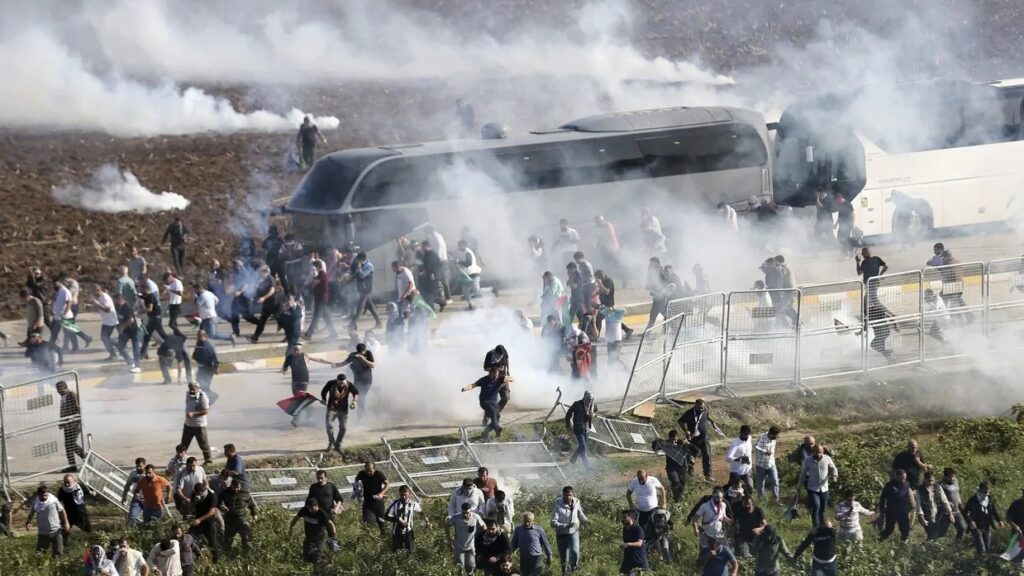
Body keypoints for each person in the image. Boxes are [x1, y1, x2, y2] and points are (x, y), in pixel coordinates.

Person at [289, 497, 339, 576]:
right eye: (310, 509)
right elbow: (296, 518)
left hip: (319, 539)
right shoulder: (304, 510)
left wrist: (333, 537)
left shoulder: (321, 513)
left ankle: (319, 572)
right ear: (308, 507)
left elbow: (331, 524)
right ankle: (323, 562)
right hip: (308, 538)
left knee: (317, 558)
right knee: (306, 557)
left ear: (317, 506)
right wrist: (291, 528)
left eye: (314, 509)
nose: (312, 511)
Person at [461, 366, 513, 440]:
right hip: (485, 402)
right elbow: (473, 385)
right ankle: (497, 428)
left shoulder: (500, 378)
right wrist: (465, 388)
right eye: (494, 375)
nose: (495, 377)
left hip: (493, 403)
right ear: (490, 373)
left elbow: (511, 378)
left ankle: (485, 432)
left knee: (497, 417)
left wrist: (509, 379)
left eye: (497, 375)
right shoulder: (484, 380)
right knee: (494, 412)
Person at [678, 399, 724, 482]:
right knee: (691, 457)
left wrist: (712, 422)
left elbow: (707, 415)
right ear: (695, 405)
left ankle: (708, 475)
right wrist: (686, 431)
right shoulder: (689, 413)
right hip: (693, 439)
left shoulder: (705, 409)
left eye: (702, 407)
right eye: (699, 408)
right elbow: (680, 421)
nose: (701, 409)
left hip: (704, 438)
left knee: (707, 455)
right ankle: (690, 475)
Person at [798, 444, 839, 529]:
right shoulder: (808, 460)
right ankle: (815, 527)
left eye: (820, 452)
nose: (818, 454)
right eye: (816, 452)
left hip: (824, 488)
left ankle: (822, 525)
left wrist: (835, 476)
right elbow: (803, 473)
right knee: (816, 506)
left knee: (823, 509)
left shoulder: (827, 458)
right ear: (813, 452)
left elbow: (834, 468)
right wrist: (799, 486)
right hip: (812, 488)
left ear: (823, 452)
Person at [687, 488, 731, 565]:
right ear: (712, 496)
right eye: (717, 497)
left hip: (718, 534)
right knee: (704, 553)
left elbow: (723, 517)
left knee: (724, 551)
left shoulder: (723, 505)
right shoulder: (705, 506)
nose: (719, 499)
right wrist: (695, 529)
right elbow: (694, 519)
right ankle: (699, 568)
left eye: (721, 498)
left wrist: (732, 522)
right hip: (706, 533)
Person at [551, 486, 588, 575]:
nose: (568, 497)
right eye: (566, 495)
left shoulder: (576, 502)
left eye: (570, 495)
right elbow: (553, 523)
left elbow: (580, 514)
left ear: (573, 494)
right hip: (561, 534)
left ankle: (575, 570)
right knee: (565, 557)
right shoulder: (558, 505)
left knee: (575, 552)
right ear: (563, 495)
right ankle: (565, 573)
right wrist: (566, 526)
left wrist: (586, 520)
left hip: (574, 532)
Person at [26, 485, 70, 556]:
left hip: (56, 530)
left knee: (58, 553)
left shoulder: (53, 501)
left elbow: (62, 511)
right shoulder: (36, 503)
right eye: (42, 496)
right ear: (38, 495)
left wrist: (66, 523)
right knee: (40, 554)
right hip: (43, 533)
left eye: (46, 495)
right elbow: (31, 513)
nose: (44, 497)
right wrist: (28, 522)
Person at [219, 477, 258, 554]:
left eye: (238, 487)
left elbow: (252, 505)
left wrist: (254, 514)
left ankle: (247, 555)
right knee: (228, 540)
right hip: (230, 520)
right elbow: (217, 503)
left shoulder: (245, 494)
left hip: (242, 519)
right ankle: (227, 555)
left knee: (246, 537)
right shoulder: (224, 493)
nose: (237, 489)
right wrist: (221, 507)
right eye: (235, 487)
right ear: (231, 485)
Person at [964, 480, 1003, 556]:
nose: (987, 491)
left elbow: (993, 510)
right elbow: (965, 512)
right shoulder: (973, 500)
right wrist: (970, 521)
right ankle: (980, 560)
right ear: (981, 489)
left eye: (988, 489)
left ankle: (982, 562)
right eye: (985, 489)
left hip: (986, 525)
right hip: (976, 526)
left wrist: (999, 520)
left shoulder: (990, 499)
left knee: (987, 545)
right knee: (981, 546)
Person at [321, 375, 358, 453]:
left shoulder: (349, 384)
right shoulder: (331, 383)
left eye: (343, 383)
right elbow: (324, 391)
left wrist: (354, 401)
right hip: (331, 408)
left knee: (343, 428)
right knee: (329, 426)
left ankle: (338, 443)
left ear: (345, 381)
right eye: (340, 383)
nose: (341, 385)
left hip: (343, 410)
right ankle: (331, 441)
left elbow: (355, 393)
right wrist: (324, 399)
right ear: (336, 380)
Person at [447, 501, 486, 575]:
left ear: (470, 510)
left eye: (467, 512)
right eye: (463, 512)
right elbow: (447, 525)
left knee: (471, 565)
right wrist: (449, 538)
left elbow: (483, 526)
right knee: (460, 566)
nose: (465, 514)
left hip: (470, 546)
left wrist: (482, 538)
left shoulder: (475, 517)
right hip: (459, 546)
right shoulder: (456, 517)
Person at [877, 469, 915, 543]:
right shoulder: (890, 485)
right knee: (889, 529)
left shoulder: (906, 484)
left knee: (905, 529)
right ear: (896, 476)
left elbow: (908, 495)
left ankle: (903, 544)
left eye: (904, 478)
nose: (903, 480)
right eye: (901, 478)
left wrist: (910, 507)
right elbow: (883, 496)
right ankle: (879, 541)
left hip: (903, 510)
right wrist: (882, 508)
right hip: (891, 510)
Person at [626, 469, 667, 536]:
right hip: (641, 511)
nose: (641, 481)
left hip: (653, 509)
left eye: (642, 479)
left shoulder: (653, 480)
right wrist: (631, 504)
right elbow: (628, 494)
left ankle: (658, 543)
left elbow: (662, 489)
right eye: (639, 479)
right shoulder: (634, 482)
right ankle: (647, 544)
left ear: (647, 476)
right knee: (644, 531)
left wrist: (664, 503)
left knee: (656, 529)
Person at [386, 484, 425, 553]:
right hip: (397, 532)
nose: (404, 497)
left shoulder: (413, 504)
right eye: (402, 495)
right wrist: (398, 520)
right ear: (399, 494)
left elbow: (421, 512)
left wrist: (427, 522)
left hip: (409, 532)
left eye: (405, 495)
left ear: (409, 494)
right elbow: (386, 516)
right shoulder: (395, 503)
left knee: (411, 552)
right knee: (396, 553)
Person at [83, 284, 119, 360]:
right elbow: (100, 307)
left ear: (98, 290)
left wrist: (97, 303)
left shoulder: (105, 297)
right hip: (106, 321)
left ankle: (117, 348)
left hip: (111, 321)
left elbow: (107, 309)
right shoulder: (99, 297)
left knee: (105, 338)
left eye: (93, 291)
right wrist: (92, 305)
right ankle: (115, 350)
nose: (92, 293)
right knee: (104, 338)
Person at [56, 380, 85, 472]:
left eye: (60, 390)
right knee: (68, 445)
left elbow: (78, 408)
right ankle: (72, 465)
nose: (58, 392)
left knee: (71, 444)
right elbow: (63, 410)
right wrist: (62, 422)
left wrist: (79, 422)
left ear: (65, 387)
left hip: (74, 424)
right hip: (67, 425)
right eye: (57, 390)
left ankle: (86, 457)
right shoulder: (63, 397)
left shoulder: (72, 395)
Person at [188, 480, 222, 562]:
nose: (197, 495)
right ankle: (197, 556)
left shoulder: (212, 496)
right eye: (196, 493)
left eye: (199, 494)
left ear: (203, 492)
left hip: (209, 522)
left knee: (212, 544)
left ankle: (216, 561)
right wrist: (193, 502)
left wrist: (200, 519)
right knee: (188, 538)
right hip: (198, 521)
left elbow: (212, 511)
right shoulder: (195, 494)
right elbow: (189, 508)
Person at [182, 381, 214, 466]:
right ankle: (181, 459)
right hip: (188, 424)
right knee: (184, 444)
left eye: (193, 389)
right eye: (190, 389)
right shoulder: (188, 394)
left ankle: (208, 460)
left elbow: (206, 411)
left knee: (203, 443)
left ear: (198, 388)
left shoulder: (202, 397)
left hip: (199, 425)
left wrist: (193, 414)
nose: (192, 391)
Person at [510, 512, 552, 576]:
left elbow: (546, 543)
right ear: (522, 520)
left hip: (537, 557)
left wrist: (549, 556)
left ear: (533, 520)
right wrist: (509, 552)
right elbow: (514, 543)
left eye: (529, 521)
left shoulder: (539, 529)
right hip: (524, 557)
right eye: (525, 521)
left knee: (535, 574)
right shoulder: (518, 530)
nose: (527, 523)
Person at [355, 461, 390, 535]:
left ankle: (384, 539)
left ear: (374, 468)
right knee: (367, 523)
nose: (368, 472)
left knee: (382, 523)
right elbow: (356, 481)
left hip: (378, 503)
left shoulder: (378, 474)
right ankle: (368, 540)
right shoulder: (362, 474)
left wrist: (381, 494)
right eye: (367, 470)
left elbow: (387, 485)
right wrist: (357, 489)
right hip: (367, 503)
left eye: (370, 471)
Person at [918, 471, 954, 540]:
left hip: (938, 514)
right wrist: (922, 517)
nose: (931, 483)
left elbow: (945, 500)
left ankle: (928, 547)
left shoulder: (938, 488)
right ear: (924, 480)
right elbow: (918, 505)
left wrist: (950, 513)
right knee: (932, 534)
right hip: (926, 515)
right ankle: (927, 548)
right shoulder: (920, 490)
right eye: (929, 481)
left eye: (932, 481)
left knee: (936, 534)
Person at [564, 391, 596, 469]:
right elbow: (568, 413)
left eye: (591, 399)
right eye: (588, 399)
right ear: (584, 397)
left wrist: (594, 415)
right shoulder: (577, 404)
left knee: (581, 447)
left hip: (587, 429)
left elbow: (596, 411)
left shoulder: (593, 404)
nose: (589, 401)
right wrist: (568, 426)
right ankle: (588, 467)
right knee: (583, 447)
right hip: (578, 429)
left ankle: (572, 461)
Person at [246, 265, 279, 343]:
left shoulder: (270, 278)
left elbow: (272, 290)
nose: (259, 274)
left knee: (280, 319)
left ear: (265, 272)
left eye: (261, 272)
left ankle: (290, 334)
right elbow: (260, 289)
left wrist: (263, 298)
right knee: (262, 321)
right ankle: (255, 337)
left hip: (273, 303)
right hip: (266, 304)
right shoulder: (263, 279)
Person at [57, 473, 91, 544]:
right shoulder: (62, 490)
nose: (66, 485)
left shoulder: (80, 487)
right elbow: (58, 501)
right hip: (68, 513)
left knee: (87, 529)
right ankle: (63, 547)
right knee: (64, 530)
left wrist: (93, 492)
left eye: (68, 482)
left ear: (73, 481)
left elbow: (89, 491)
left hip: (80, 512)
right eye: (65, 482)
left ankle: (90, 544)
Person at [114, 292, 142, 373]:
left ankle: (137, 366)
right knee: (120, 346)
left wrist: (122, 326)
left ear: (121, 299)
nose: (116, 301)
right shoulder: (117, 307)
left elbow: (131, 320)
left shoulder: (127, 307)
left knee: (136, 347)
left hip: (134, 329)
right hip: (125, 331)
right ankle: (130, 362)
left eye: (117, 300)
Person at [940, 467, 969, 543]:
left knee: (962, 528)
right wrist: (947, 502)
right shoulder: (941, 484)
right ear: (945, 476)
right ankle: (933, 547)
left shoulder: (956, 481)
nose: (952, 478)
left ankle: (957, 546)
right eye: (950, 477)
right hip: (946, 512)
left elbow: (957, 491)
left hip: (956, 510)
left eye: (953, 476)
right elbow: (938, 497)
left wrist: (959, 500)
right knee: (941, 533)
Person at [139, 281, 167, 359]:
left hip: (155, 318)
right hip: (152, 318)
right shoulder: (147, 296)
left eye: (141, 289)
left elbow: (150, 309)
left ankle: (171, 347)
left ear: (145, 289)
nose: (140, 290)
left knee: (162, 335)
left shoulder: (150, 297)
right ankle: (142, 354)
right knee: (147, 336)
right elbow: (142, 296)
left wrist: (140, 311)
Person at [192, 330, 221, 404]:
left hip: (209, 368)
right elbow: (195, 354)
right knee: (198, 384)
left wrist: (216, 367)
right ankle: (208, 399)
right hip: (201, 367)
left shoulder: (210, 344)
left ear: (204, 336)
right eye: (197, 336)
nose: (198, 337)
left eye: (199, 336)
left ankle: (211, 398)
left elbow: (215, 356)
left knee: (205, 385)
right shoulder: (198, 343)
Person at [724, 425, 754, 496]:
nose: (747, 437)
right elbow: (727, 458)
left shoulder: (749, 438)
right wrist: (738, 459)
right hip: (736, 471)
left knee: (749, 488)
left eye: (748, 435)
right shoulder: (735, 444)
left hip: (747, 470)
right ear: (740, 433)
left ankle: (747, 502)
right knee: (734, 490)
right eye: (745, 435)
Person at [753, 426, 780, 502]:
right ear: (771, 433)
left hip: (771, 464)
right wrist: (764, 451)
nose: (776, 437)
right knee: (761, 483)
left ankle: (776, 499)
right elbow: (756, 446)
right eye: (775, 435)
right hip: (761, 464)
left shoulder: (774, 439)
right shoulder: (762, 436)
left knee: (775, 481)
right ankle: (761, 499)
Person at [454, 240, 483, 310]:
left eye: (460, 246)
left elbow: (468, 263)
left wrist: (459, 261)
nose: (459, 247)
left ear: (464, 246)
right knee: (465, 290)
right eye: (459, 246)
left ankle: (491, 290)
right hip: (465, 275)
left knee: (476, 290)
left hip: (473, 273)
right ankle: (470, 305)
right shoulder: (458, 251)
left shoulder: (468, 252)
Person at [619, 510, 649, 575]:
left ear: (632, 518)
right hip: (628, 559)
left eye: (624, 517)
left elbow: (639, 543)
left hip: (639, 560)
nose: (622, 519)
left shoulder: (637, 529)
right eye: (621, 517)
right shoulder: (625, 529)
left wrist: (628, 544)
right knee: (622, 573)